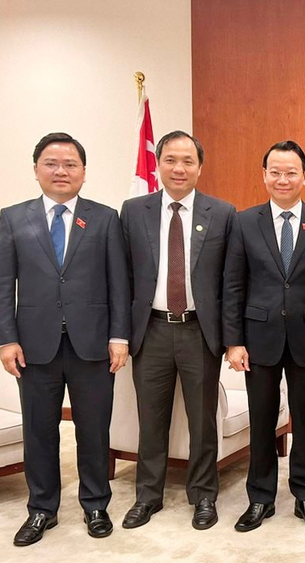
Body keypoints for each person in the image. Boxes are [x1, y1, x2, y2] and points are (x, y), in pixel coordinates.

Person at [0, 132, 130, 545]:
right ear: (36, 170)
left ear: (84, 173)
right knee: (38, 430)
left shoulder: (104, 218)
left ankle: (95, 505)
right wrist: (6, 339)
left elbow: (118, 284)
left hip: (93, 344)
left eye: (70, 164)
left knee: (93, 429)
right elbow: (2, 285)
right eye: (51, 163)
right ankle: (41, 509)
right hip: (34, 346)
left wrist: (119, 336)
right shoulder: (13, 217)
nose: (61, 171)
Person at [223, 140, 305, 533]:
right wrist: (234, 341)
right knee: (261, 419)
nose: (283, 179)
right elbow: (233, 285)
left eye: (291, 172)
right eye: (275, 171)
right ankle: (260, 497)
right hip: (258, 338)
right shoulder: (243, 222)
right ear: (264, 175)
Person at [119, 131, 236, 530]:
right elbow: (123, 278)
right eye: (170, 159)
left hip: (198, 331)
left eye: (188, 161)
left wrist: (230, 337)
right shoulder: (133, 211)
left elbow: (229, 282)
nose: (179, 168)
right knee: (150, 420)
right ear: (158, 164)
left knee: (203, 421)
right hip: (149, 331)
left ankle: (204, 496)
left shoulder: (221, 213)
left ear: (200, 167)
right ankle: (147, 497)